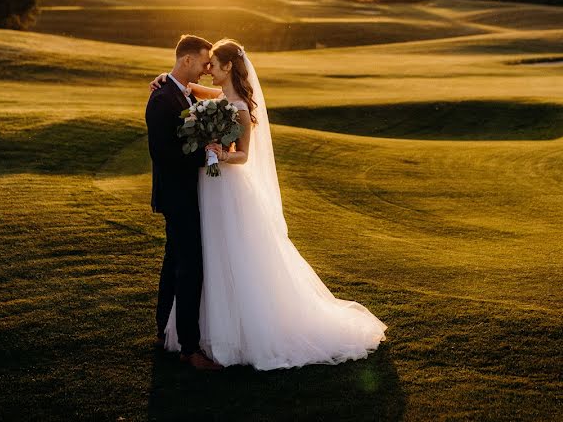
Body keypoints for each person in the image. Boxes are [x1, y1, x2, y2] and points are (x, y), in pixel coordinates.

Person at [150, 38, 387, 370]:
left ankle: (233, 333)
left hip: (225, 185)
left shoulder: (241, 108)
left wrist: (220, 154)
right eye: (205, 64)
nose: (208, 70)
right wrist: (165, 77)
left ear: (227, 66)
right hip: (205, 188)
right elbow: (187, 88)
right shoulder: (216, 97)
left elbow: (242, 156)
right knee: (201, 256)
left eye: (213, 65)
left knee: (229, 253)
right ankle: (190, 334)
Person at [145, 34, 223, 371]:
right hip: (177, 195)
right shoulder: (164, 99)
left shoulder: (178, 91)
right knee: (189, 266)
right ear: (188, 60)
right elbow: (165, 154)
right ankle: (189, 349)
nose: (207, 69)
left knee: (174, 260)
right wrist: (206, 154)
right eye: (205, 62)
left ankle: (165, 330)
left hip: (181, 193)